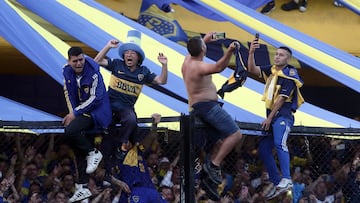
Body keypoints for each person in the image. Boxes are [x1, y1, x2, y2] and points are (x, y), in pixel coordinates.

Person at [94, 30, 168, 180]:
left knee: (132, 120)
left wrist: (164, 65)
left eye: (132, 53)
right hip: (109, 104)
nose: (128, 55)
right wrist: (108, 46)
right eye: (126, 52)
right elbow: (96, 61)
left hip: (126, 108)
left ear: (138, 57)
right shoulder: (116, 64)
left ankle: (122, 148)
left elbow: (162, 81)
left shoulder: (143, 72)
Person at [181, 32, 244, 200]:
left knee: (218, 143)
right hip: (206, 107)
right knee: (235, 134)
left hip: (200, 106)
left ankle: (208, 181)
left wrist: (207, 38)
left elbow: (196, 46)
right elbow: (218, 67)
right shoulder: (197, 66)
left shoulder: (187, 60)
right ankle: (214, 165)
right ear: (203, 49)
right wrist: (229, 51)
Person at [247, 38, 305, 200]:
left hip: (282, 117)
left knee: (280, 143)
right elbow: (253, 69)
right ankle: (277, 182)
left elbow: (281, 99)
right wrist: (251, 52)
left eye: (281, 55)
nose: (277, 57)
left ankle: (287, 178)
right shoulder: (272, 71)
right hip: (271, 119)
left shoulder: (290, 75)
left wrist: (269, 118)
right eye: (276, 54)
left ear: (287, 59)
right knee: (264, 150)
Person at [62, 46, 112, 202]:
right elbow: (69, 93)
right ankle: (82, 187)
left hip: (98, 112)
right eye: (75, 61)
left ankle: (93, 152)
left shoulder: (94, 72)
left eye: (81, 59)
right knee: (76, 147)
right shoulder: (66, 71)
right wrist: (72, 113)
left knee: (70, 132)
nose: (79, 63)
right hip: (81, 112)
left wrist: (74, 114)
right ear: (69, 61)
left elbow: (95, 99)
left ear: (84, 58)